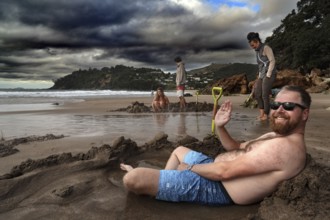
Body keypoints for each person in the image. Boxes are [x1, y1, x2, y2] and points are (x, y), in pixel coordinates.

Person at [121, 85, 311, 206]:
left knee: (133, 178)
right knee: (179, 151)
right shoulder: (275, 136)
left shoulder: (285, 148)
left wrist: (191, 168)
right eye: (274, 104)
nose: (278, 110)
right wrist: (220, 127)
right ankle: (168, 183)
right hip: (213, 168)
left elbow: (224, 173)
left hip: (218, 188)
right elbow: (235, 147)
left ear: (304, 114)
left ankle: (168, 184)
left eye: (288, 106)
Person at [247, 32, 277, 121]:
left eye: (253, 45)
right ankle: (261, 114)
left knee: (264, 95)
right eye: (251, 46)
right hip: (262, 74)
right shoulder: (257, 51)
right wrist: (260, 77)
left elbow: (272, 61)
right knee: (257, 93)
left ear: (257, 41)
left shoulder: (266, 48)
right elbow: (260, 65)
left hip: (269, 74)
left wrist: (268, 74)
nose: (252, 47)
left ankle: (266, 115)